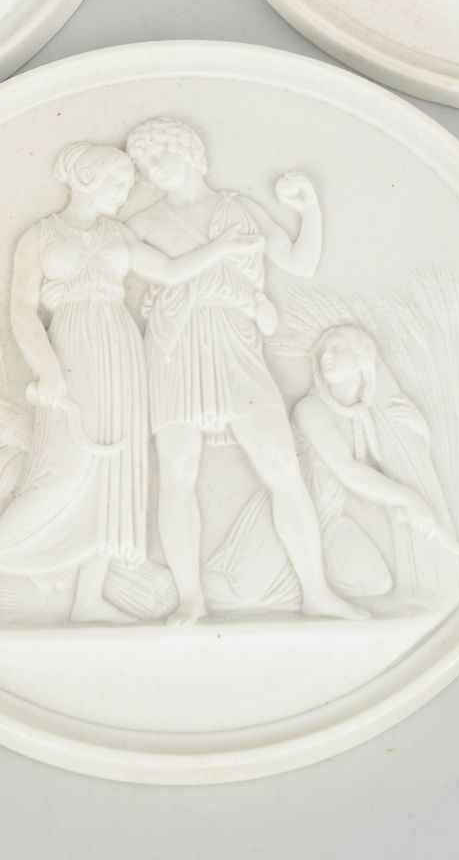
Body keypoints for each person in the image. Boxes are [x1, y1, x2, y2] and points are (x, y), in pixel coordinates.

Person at [0, 143, 257, 630]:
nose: (126, 191)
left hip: (120, 351)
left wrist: (222, 248)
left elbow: (170, 271)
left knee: (114, 475)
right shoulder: (40, 236)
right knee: (63, 472)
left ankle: (89, 598)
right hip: (72, 349)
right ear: (86, 178)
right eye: (118, 182)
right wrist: (48, 371)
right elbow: (21, 310)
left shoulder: (117, 235)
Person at [123, 118, 366, 624]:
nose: (152, 169)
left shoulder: (240, 210)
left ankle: (316, 591)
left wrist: (309, 207)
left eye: (158, 155)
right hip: (174, 348)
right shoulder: (142, 224)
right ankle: (191, 598)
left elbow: (301, 263)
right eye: (144, 164)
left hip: (237, 347)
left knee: (282, 469)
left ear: (188, 151)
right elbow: (145, 273)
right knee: (177, 474)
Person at [293, 327, 459, 604]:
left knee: (379, 580)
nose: (326, 355)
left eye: (337, 348)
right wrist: (410, 500)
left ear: (362, 359)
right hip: (310, 526)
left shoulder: (361, 417)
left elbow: (381, 466)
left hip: (342, 518)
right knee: (374, 581)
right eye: (324, 351)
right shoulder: (310, 409)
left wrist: (422, 432)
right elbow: (349, 471)